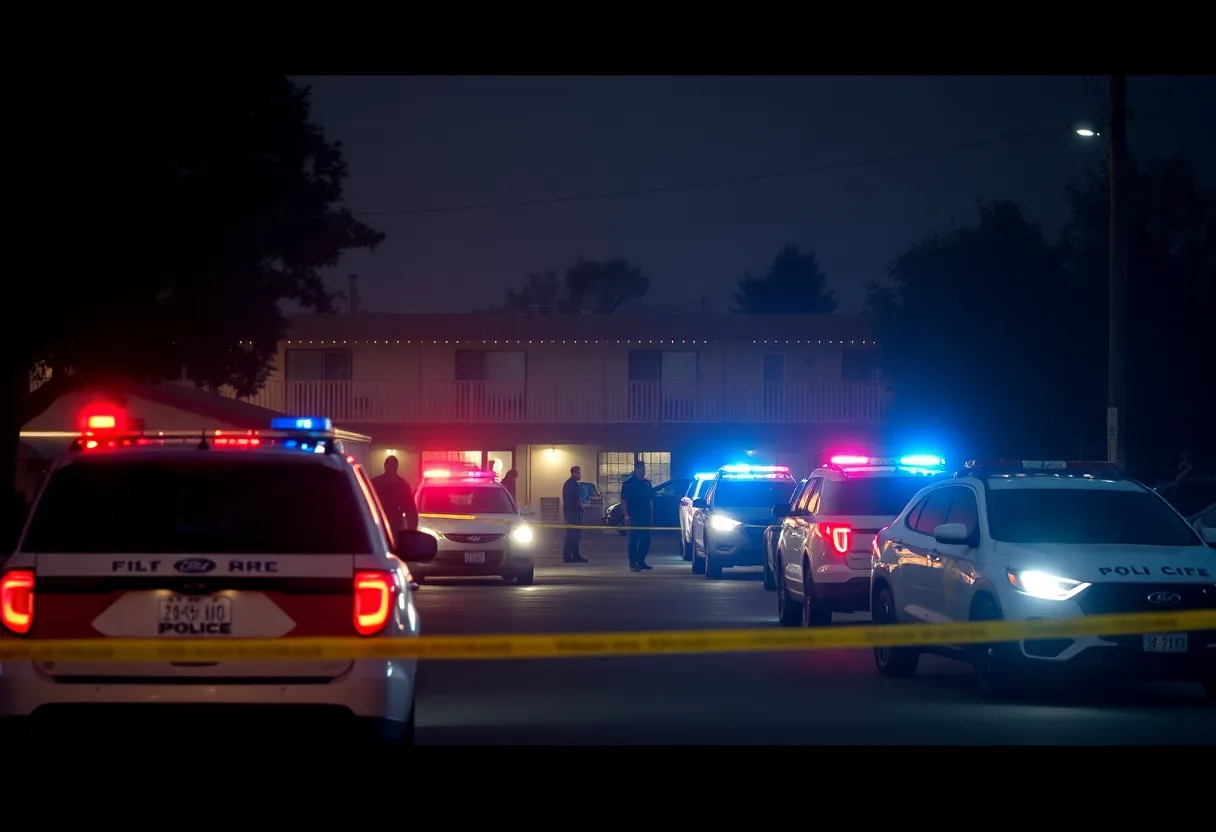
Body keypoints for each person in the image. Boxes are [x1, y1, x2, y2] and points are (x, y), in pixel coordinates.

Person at [620, 460, 654, 572]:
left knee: (646, 540)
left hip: (645, 516)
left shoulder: (647, 484)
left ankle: (641, 561)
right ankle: (633, 563)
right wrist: (626, 515)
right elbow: (624, 501)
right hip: (633, 515)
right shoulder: (628, 484)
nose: (643, 470)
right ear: (636, 469)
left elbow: (650, 500)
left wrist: (651, 514)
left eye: (644, 468)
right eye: (641, 468)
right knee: (633, 540)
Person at [371, 455, 419, 534]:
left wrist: (412, 531)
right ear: (385, 466)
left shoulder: (402, 485)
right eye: (390, 465)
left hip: (393, 524)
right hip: (379, 523)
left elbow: (411, 511)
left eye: (393, 465)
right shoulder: (376, 483)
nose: (391, 468)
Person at [561, 466, 588, 563]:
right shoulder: (569, 485)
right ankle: (567, 556)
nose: (580, 475)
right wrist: (579, 505)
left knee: (576, 535)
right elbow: (570, 501)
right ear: (573, 473)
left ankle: (575, 554)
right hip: (571, 513)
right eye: (578, 473)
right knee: (570, 535)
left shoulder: (575, 484)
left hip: (575, 513)